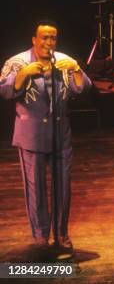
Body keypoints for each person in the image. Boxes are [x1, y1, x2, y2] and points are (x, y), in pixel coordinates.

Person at [0, 20, 91, 250]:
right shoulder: (17, 61)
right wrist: (23, 74)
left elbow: (83, 87)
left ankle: (61, 234)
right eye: (44, 38)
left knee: (63, 187)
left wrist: (77, 69)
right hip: (31, 134)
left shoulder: (62, 60)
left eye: (52, 38)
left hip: (60, 133)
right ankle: (41, 235)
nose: (48, 42)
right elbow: (4, 90)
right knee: (36, 187)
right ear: (34, 40)